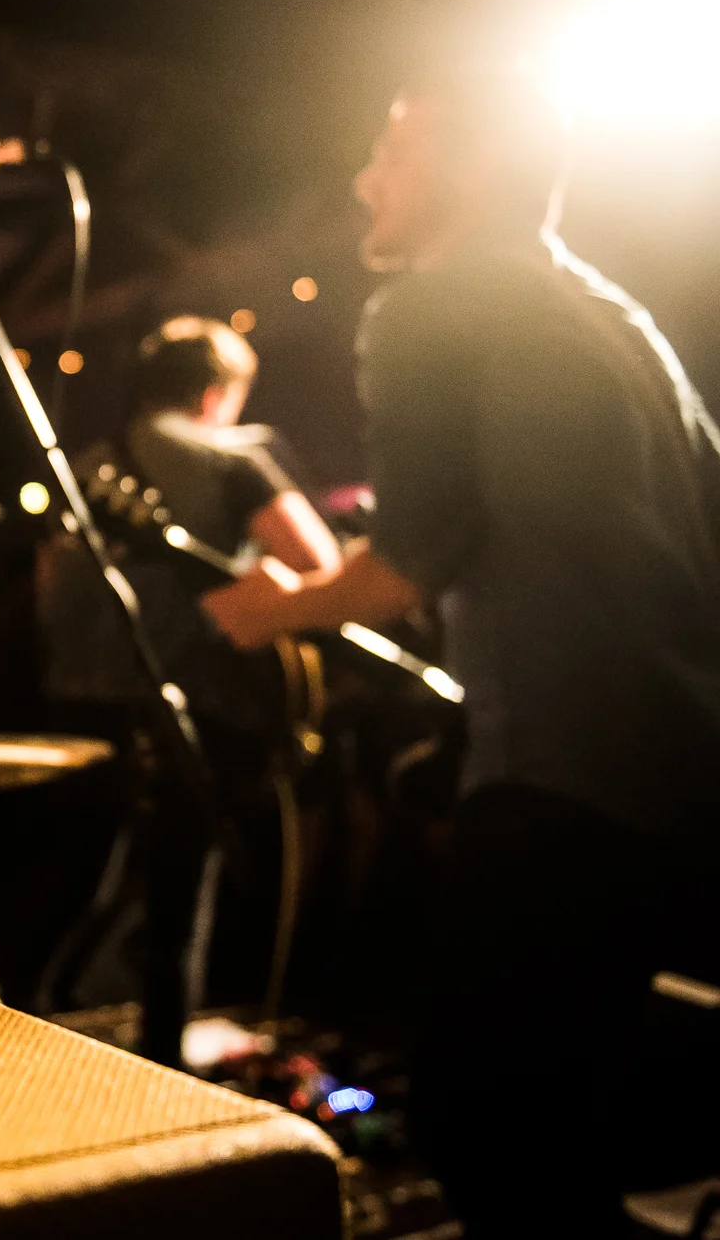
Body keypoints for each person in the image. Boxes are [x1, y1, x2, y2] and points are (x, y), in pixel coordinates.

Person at [203, 67, 720, 1236]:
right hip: (680, 774)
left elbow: (404, 562)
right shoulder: (616, 317)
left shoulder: (430, 306)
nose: (363, 180)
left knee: (480, 1124)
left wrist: (275, 605)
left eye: (394, 151)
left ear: (471, 166)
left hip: (559, 769)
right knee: (567, 1128)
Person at [38, 317, 342, 1056]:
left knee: (75, 898)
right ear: (215, 395)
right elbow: (319, 565)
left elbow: (48, 592)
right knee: (174, 918)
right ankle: (165, 1066)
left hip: (78, 713)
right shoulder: (230, 460)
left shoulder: (87, 467)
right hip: (190, 715)